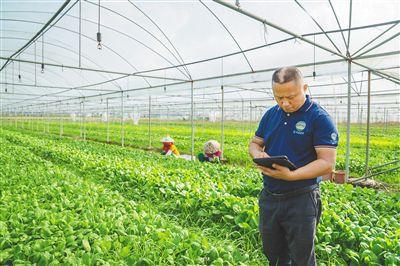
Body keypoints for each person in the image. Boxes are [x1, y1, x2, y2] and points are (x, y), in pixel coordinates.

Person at [249, 67, 338, 265]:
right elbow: (255, 142)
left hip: (301, 198)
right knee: (274, 254)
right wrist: (257, 154)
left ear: (304, 88)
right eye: (278, 97)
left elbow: (327, 163)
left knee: (302, 258)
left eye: (290, 96)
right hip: (270, 196)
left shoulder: (319, 118)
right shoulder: (271, 115)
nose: (285, 103)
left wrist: (292, 175)